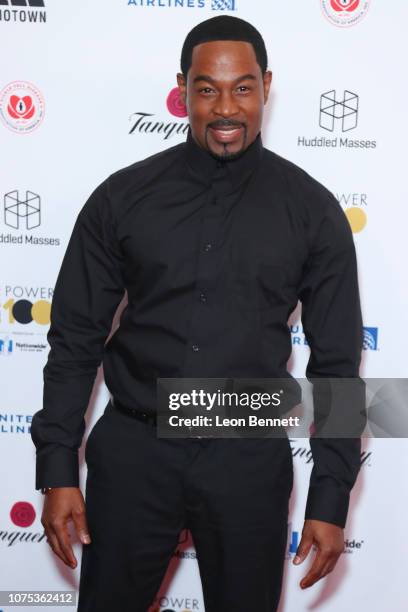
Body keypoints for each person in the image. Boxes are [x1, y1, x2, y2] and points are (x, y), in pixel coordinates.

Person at [31, 15, 363, 612]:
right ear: (183, 90)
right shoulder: (122, 199)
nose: (226, 107)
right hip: (133, 455)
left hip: (246, 461)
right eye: (207, 89)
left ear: (267, 86)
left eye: (242, 88)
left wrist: (330, 499)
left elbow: (338, 365)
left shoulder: (312, 212)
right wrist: (57, 469)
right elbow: (76, 338)